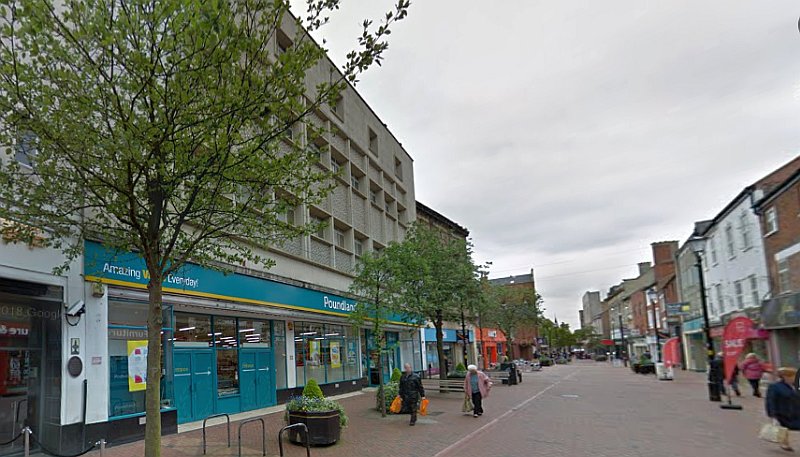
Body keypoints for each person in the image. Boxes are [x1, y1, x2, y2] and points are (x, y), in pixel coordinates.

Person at [765, 367, 800, 452]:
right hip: (782, 413)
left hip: (796, 412)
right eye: (794, 376)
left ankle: (784, 443)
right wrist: (772, 416)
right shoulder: (775, 387)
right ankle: (784, 443)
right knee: (784, 428)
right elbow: (770, 401)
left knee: (787, 428)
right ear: (786, 377)